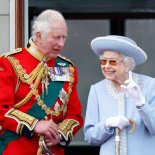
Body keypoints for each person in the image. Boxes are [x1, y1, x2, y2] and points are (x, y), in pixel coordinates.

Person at [0, 10, 83, 155]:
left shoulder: (67, 68)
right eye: (56, 37)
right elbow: (1, 109)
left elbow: (74, 115)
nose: (61, 43)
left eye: (64, 37)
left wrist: (60, 134)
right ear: (38, 35)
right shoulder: (10, 63)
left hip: (53, 150)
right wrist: (35, 125)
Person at [84, 35, 155, 155]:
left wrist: (141, 102)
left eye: (112, 61)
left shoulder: (150, 85)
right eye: (103, 61)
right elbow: (90, 137)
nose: (106, 66)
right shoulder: (97, 90)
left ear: (127, 64)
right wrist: (106, 125)